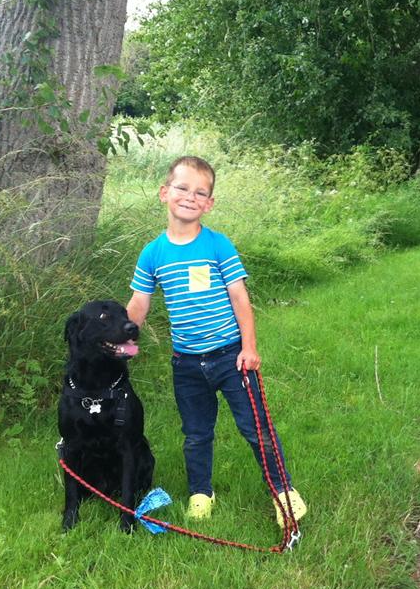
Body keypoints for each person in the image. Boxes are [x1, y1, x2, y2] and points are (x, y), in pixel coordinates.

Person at [126, 156, 306, 526]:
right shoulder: (153, 253)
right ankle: (200, 493)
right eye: (182, 188)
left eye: (200, 192)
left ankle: (282, 491)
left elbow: (240, 298)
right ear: (164, 193)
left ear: (209, 203)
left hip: (231, 358)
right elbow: (139, 304)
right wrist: (120, 342)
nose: (190, 197)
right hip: (187, 364)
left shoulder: (218, 245)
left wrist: (249, 347)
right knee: (195, 434)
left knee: (256, 429)